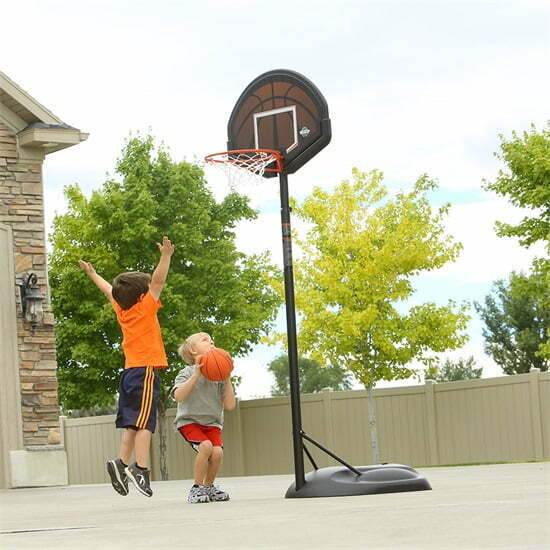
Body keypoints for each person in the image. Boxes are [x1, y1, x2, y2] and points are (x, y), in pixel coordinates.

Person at [78, 236, 175, 498]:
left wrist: (93, 274)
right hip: (145, 371)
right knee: (145, 425)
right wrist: (165, 256)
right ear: (143, 295)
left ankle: (121, 462)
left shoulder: (122, 310)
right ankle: (140, 468)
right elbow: (159, 281)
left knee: (133, 423)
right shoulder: (145, 308)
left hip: (130, 373)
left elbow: (108, 290)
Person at [171, 332, 236, 503]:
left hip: (212, 423)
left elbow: (230, 405)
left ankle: (209, 487)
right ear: (193, 350)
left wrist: (227, 377)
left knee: (217, 452)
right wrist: (196, 375)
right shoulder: (186, 372)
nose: (211, 342)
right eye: (205, 340)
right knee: (206, 446)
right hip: (189, 422)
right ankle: (196, 488)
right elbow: (178, 396)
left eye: (212, 340)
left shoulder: (219, 376)